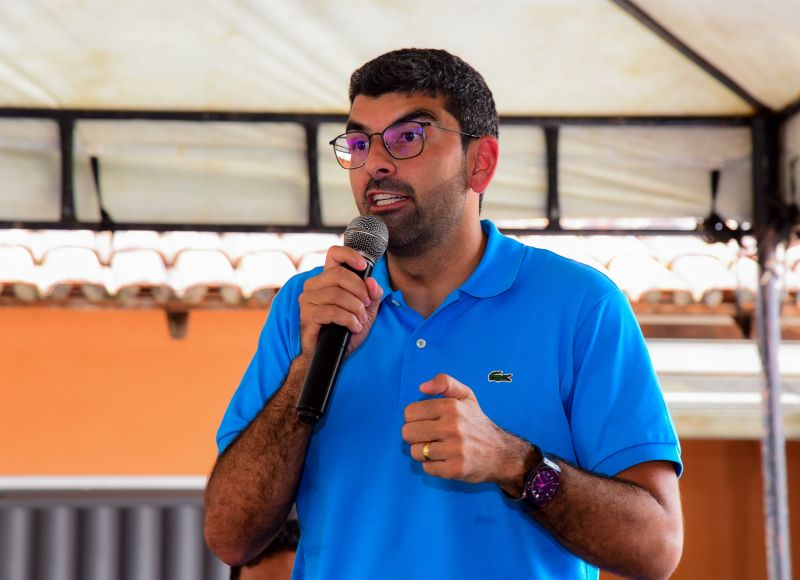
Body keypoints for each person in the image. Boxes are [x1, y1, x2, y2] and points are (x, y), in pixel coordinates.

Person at [205, 48, 683, 579]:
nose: (376, 164)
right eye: (360, 144)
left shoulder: (580, 305)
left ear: (481, 163)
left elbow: (655, 548)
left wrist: (515, 463)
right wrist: (305, 372)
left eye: (408, 138)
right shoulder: (307, 306)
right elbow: (230, 537)